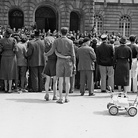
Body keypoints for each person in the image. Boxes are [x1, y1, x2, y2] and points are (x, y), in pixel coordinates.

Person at [45, 27, 76, 104]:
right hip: (68, 61)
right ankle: (67, 97)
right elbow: (73, 54)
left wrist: (46, 54)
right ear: (67, 32)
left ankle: (61, 97)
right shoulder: (70, 42)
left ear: (60, 32)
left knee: (60, 80)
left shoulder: (56, 41)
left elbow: (52, 51)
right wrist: (74, 64)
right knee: (67, 80)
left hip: (59, 61)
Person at [0, 28, 18, 93]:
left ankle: (5, 88)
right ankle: (10, 89)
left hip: (4, 56)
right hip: (12, 57)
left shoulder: (1, 40)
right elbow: (16, 49)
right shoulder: (13, 40)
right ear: (11, 34)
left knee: (4, 72)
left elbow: (0, 49)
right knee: (11, 72)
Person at [43, 36, 57, 101]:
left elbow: (45, 56)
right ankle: (55, 95)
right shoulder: (54, 46)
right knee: (55, 81)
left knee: (47, 80)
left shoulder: (46, 47)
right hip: (54, 63)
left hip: (48, 63)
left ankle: (47, 94)